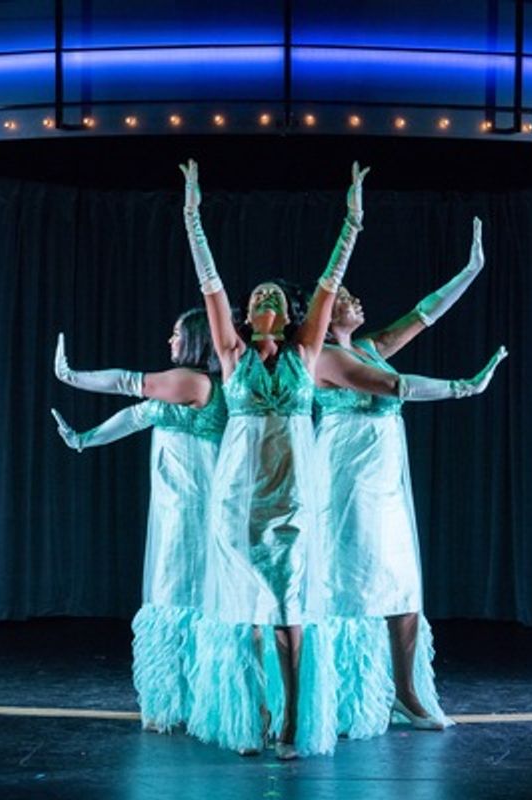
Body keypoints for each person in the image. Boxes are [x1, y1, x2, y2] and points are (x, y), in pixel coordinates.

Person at [181, 158, 367, 759]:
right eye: (253, 295)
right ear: (247, 312)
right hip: (238, 501)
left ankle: (291, 717)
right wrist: (192, 216)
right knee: (247, 616)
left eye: (271, 296)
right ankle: (254, 711)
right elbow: (210, 285)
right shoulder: (231, 355)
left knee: (290, 618)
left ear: (284, 314)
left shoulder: (306, 351)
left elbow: (328, 285)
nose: (261, 297)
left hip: (291, 501)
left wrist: (353, 221)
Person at [312, 217, 507, 738]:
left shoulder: (368, 345)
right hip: (344, 483)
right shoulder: (325, 358)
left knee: (401, 588)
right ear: (328, 315)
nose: (358, 301)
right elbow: (395, 386)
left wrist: (470, 271)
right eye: (347, 298)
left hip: (385, 484)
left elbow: (424, 315)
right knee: (346, 586)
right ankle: (335, 695)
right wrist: (464, 387)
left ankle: (405, 693)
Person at [52, 308, 226, 733]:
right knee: (175, 593)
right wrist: (84, 440)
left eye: (176, 333)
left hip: (194, 506)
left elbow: (132, 384)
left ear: (197, 340)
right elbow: (135, 416)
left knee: (188, 593)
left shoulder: (195, 381)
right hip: (174, 506)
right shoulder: (181, 385)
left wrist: (72, 376)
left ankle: (202, 695)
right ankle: (179, 695)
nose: (170, 341)